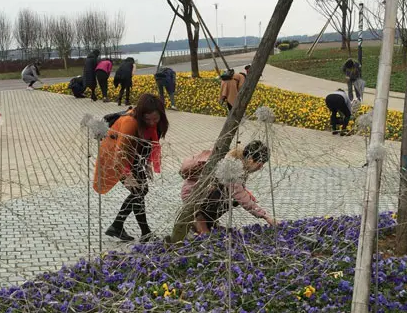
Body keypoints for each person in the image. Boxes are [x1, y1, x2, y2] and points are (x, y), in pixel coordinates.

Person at [94, 93, 168, 242]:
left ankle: (118, 226)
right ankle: (144, 233)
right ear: (141, 116)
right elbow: (120, 152)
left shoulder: (156, 123)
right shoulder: (130, 122)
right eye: (148, 119)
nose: (152, 123)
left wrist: (147, 164)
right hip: (116, 157)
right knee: (139, 191)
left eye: (155, 119)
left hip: (133, 156)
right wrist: (126, 176)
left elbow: (148, 143)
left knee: (140, 191)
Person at [180, 141, 275, 234]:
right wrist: (266, 216)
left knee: (233, 195)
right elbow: (240, 195)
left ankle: (209, 221)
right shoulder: (231, 166)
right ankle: (198, 219)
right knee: (229, 194)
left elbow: (238, 189)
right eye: (260, 164)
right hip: (193, 195)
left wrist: (246, 192)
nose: (260, 168)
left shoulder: (239, 161)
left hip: (201, 193)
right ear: (250, 159)